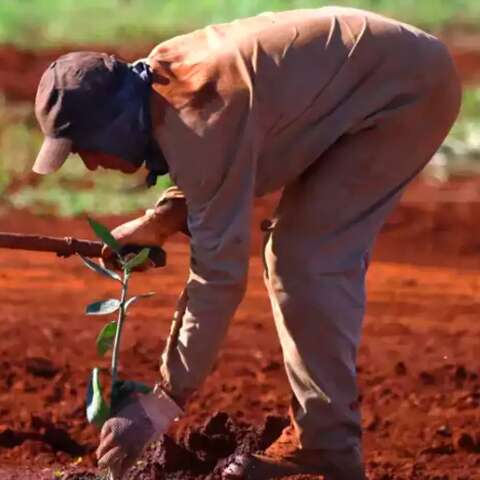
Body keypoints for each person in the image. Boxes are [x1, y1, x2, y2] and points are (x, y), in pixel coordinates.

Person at [32, 7, 461, 479]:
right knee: (298, 255)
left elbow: (219, 275)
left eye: (83, 148)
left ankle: (328, 445)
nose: (89, 166)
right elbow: (229, 157)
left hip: (405, 90)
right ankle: (326, 438)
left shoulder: (201, 113)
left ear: (113, 125)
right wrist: (161, 220)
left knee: (306, 258)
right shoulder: (162, 83)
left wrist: (164, 401)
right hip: (371, 73)